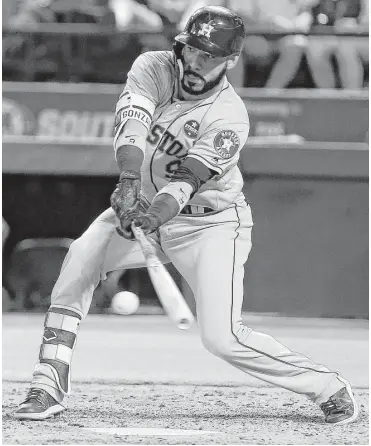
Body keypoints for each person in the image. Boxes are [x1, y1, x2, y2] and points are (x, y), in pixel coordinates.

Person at [14, 6, 358, 425]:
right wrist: (128, 180)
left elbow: (188, 178)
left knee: (223, 338)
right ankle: (46, 384)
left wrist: (155, 213)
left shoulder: (230, 116)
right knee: (78, 266)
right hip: (140, 201)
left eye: (209, 55)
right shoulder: (154, 67)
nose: (196, 62)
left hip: (208, 224)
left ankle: (327, 386)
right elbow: (133, 123)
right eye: (192, 49)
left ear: (231, 60)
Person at [306, 0, 368, 88]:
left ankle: (352, 94)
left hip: (359, 37)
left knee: (346, 48)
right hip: (331, 35)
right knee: (315, 49)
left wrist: (356, 26)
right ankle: (328, 95)